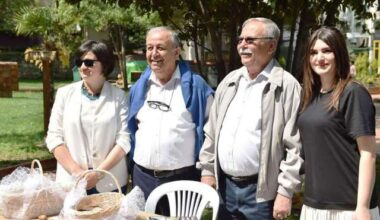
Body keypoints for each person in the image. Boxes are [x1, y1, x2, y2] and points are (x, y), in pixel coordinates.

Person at [198, 17, 303, 220]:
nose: (242, 45)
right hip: (225, 189)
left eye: (250, 40)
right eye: (240, 40)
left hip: (261, 194)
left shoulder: (287, 86)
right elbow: (211, 132)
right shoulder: (229, 81)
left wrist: (285, 191)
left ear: (271, 45)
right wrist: (207, 170)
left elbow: (295, 147)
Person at [127, 26, 214, 212]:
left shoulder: (197, 87)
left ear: (176, 52)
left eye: (160, 48)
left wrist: (208, 172)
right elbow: (131, 129)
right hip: (142, 179)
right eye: (149, 48)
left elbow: (212, 133)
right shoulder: (139, 87)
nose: (153, 54)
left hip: (182, 179)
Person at [298, 26, 379, 220]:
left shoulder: (353, 93)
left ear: (339, 53)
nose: (319, 58)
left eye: (327, 51)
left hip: (348, 207)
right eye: (313, 52)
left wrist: (362, 207)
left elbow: (368, 154)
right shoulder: (310, 96)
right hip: (314, 204)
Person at [46, 40, 130, 194]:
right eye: (79, 62)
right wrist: (76, 171)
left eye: (89, 62)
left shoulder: (119, 97)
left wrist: (98, 174)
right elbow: (54, 138)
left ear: (104, 64)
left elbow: (124, 140)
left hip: (110, 183)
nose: (83, 67)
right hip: (71, 183)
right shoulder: (64, 94)